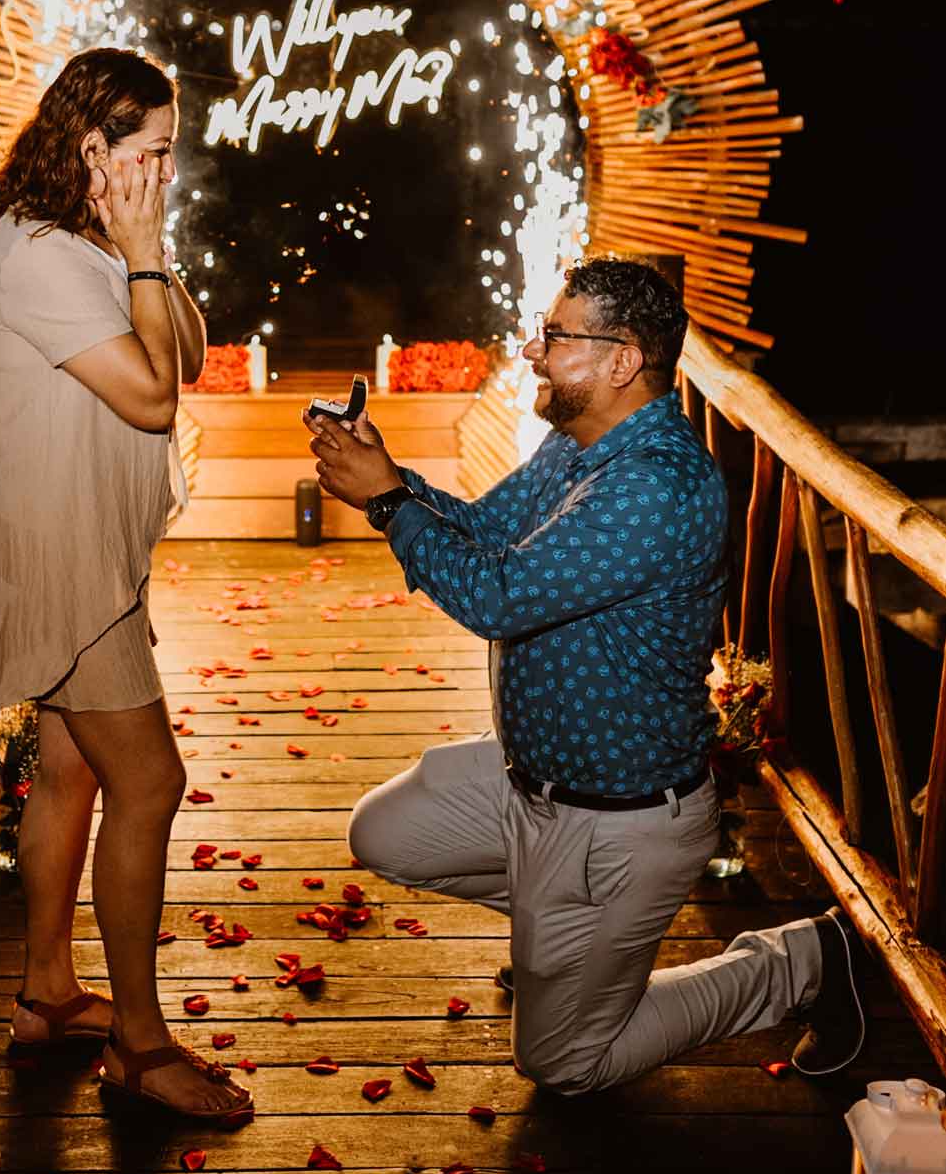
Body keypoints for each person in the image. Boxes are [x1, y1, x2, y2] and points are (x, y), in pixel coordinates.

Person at [306, 258, 863, 1094]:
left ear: (620, 361)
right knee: (380, 834)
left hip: (618, 826)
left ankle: (802, 960)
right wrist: (390, 477)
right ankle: (567, 953)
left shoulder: (656, 485)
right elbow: (486, 531)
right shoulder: (579, 443)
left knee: (562, 1063)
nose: (532, 351)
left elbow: (499, 596)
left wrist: (386, 504)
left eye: (555, 336)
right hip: (526, 787)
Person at [0, 47, 251, 1121]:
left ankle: (45, 992)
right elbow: (147, 397)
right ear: (94, 149)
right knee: (152, 781)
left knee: (74, 774)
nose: (169, 171)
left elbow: (191, 347)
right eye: (157, 153)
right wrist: (139, 247)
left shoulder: (89, 241)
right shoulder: (37, 253)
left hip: (82, 548)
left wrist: (146, 245)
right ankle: (138, 1042)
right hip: (65, 562)